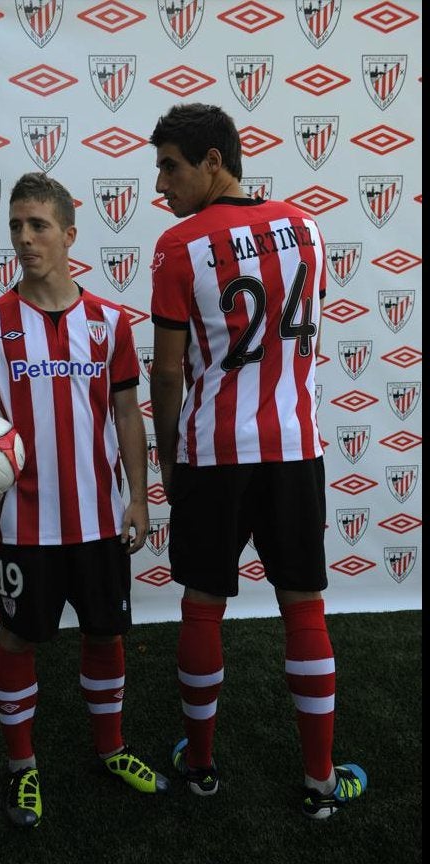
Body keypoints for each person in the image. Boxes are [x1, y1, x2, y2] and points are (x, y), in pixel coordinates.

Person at [0, 171, 168, 830]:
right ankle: (22, 769)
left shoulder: (110, 323)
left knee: (106, 632)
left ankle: (110, 749)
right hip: (28, 524)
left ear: (69, 235)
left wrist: (139, 498)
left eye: (38, 226)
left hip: (100, 520)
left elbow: (128, 415)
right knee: (19, 638)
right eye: (16, 226)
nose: (24, 239)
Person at [147, 103, 367, 819]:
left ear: (216, 160)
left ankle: (202, 767)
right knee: (303, 606)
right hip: (296, 449)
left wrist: (170, 454)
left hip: (215, 452)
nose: (161, 182)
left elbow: (169, 371)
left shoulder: (179, 246)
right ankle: (320, 782)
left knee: (203, 605)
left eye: (171, 165)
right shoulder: (308, 227)